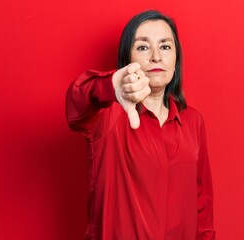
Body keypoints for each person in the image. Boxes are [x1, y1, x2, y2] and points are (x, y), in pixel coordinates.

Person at [66, 10, 215, 240]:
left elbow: (202, 206)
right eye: (143, 47)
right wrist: (111, 84)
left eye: (165, 47)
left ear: (176, 60)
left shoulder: (193, 121)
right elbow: (76, 103)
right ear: (128, 61)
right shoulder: (107, 115)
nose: (156, 57)